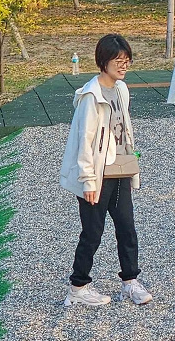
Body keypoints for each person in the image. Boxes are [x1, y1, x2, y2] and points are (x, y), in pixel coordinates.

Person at [59, 34, 153, 307]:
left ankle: (130, 282)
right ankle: (78, 287)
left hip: (120, 167)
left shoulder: (122, 90)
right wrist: (89, 181)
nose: (123, 66)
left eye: (127, 61)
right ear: (104, 62)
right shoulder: (91, 96)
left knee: (127, 226)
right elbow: (84, 141)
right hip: (97, 175)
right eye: (118, 61)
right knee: (93, 231)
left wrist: (132, 161)